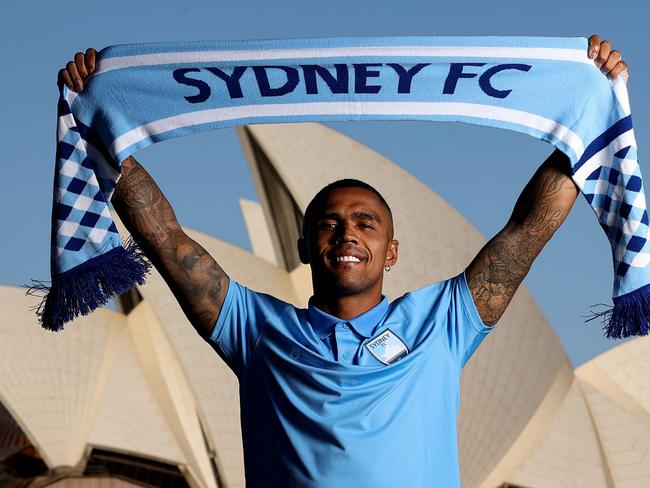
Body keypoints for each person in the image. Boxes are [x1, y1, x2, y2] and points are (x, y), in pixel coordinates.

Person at [59, 35, 628, 487]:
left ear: (392, 250)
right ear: (305, 247)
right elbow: (167, 239)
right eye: (327, 223)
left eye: (365, 223)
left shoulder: (443, 320)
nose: (346, 234)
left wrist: (585, 116)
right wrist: (101, 124)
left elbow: (525, 232)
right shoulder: (258, 330)